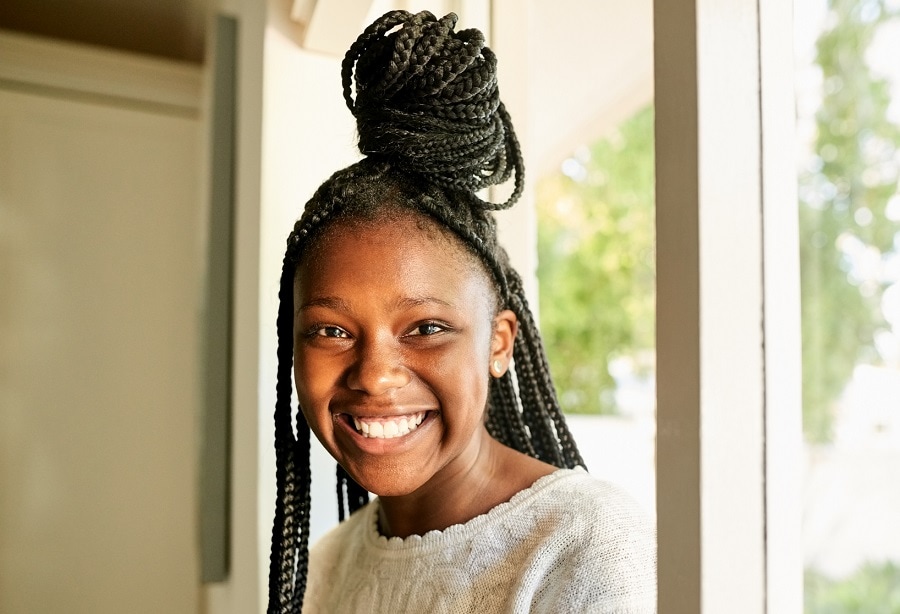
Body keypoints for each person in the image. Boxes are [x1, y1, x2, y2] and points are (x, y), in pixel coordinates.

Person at [267, 10, 656, 613]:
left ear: (499, 344)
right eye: (331, 330)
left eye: (425, 328)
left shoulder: (586, 549)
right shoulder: (325, 567)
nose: (374, 374)